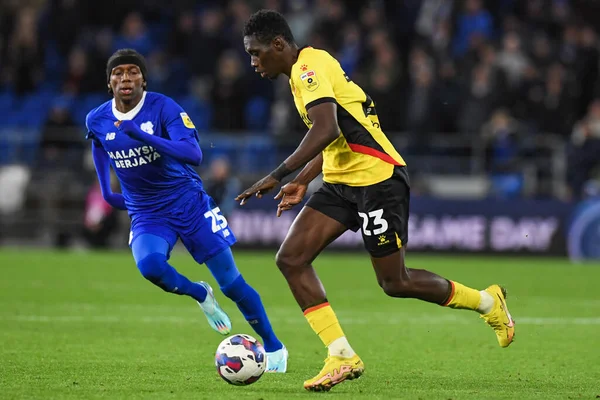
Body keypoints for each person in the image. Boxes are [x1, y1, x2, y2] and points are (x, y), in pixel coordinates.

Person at [236, 10, 515, 391]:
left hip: (377, 179)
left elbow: (327, 127)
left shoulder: (309, 67)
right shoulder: (300, 77)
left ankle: (487, 302)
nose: (252, 62)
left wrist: (277, 174)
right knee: (291, 258)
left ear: (279, 45)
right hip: (341, 183)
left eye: (256, 52)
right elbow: (335, 135)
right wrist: (302, 181)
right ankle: (341, 355)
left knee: (395, 282)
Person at [85, 48, 288, 372]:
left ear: (144, 79)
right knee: (150, 266)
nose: (126, 78)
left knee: (231, 283)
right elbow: (98, 142)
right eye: (118, 73)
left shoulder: (163, 108)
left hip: (188, 203)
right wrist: (107, 190)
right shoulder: (96, 117)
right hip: (146, 212)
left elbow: (193, 153)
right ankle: (199, 294)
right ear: (109, 82)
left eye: (133, 72)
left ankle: (275, 347)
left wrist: (141, 135)